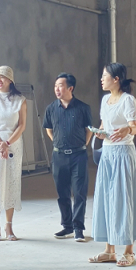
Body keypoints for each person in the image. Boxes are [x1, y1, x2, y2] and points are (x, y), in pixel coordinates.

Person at [88, 63, 136, 268]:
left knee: (125, 200)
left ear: (116, 79)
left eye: (105, 75)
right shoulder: (105, 100)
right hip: (107, 154)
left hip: (123, 154)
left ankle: (129, 252)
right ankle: (109, 251)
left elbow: (134, 127)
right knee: (107, 199)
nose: (101, 79)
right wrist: (99, 132)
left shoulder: (128, 100)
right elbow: (104, 125)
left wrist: (126, 130)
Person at [43, 72, 93, 242]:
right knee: (62, 193)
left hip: (79, 155)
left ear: (70, 88)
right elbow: (49, 129)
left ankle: (78, 228)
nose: (57, 89)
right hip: (59, 156)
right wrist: (57, 143)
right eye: (55, 86)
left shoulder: (83, 108)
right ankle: (67, 226)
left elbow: (88, 130)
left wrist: (83, 145)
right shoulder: (51, 108)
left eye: (61, 86)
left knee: (79, 193)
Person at [0, 65, 26, 242]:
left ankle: (9, 225)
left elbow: (21, 125)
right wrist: (0, 144)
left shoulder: (20, 100)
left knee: (11, 183)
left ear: (10, 80)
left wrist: (7, 143)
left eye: (2, 77)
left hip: (13, 145)